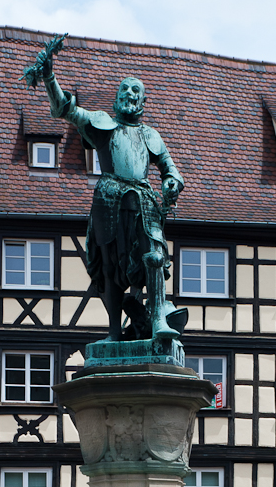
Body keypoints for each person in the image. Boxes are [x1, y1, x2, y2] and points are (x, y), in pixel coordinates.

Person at [38, 44, 184, 342]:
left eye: (136, 90)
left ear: (143, 101)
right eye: (124, 89)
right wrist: (50, 78)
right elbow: (66, 109)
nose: (129, 93)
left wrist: (171, 182)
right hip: (109, 200)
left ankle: (158, 319)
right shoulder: (103, 124)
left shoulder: (150, 135)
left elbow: (171, 170)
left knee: (154, 255)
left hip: (143, 201)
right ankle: (115, 333)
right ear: (117, 97)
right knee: (109, 267)